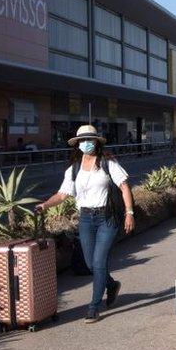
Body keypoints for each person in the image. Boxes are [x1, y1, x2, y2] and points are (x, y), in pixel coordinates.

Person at [37, 124, 135, 323]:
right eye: (82, 140)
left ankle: (94, 306)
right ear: (77, 144)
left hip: (107, 217)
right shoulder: (73, 169)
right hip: (86, 219)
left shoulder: (108, 162)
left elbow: (124, 186)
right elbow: (63, 194)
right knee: (91, 263)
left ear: (97, 142)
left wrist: (129, 213)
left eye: (90, 140)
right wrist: (45, 205)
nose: (86, 143)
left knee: (99, 262)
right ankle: (111, 285)